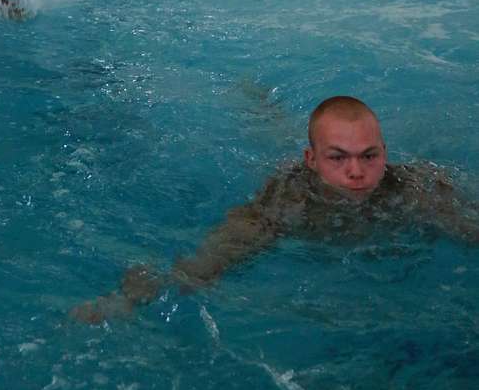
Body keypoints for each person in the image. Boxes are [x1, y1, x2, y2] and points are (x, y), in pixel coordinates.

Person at [73, 96, 479, 323]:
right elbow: (214, 259)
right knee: (270, 131)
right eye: (338, 158)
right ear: (311, 160)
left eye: (369, 156)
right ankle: (256, 102)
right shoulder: (287, 200)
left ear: (385, 153)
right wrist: (127, 299)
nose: (357, 172)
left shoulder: (418, 190)